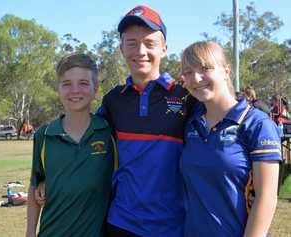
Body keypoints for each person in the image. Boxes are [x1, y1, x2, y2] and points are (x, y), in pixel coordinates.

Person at [97, 5, 195, 236]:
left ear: (164, 48)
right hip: (121, 223)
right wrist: (43, 179)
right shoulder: (113, 100)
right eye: (131, 43)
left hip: (174, 226)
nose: (140, 51)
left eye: (149, 43)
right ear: (121, 49)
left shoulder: (187, 97)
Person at [180, 41, 281, 237]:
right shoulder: (190, 123)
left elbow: (266, 198)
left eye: (205, 68)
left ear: (226, 71)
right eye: (188, 72)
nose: (196, 78)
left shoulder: (256, 124)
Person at [25, 53, 115, 237]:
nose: (75, 90)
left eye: (83, 83)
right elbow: (35, 184)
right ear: (58, 88)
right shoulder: (44, 134)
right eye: (66, 84)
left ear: (95, 87)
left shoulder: (109, 132)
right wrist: (29, 232)